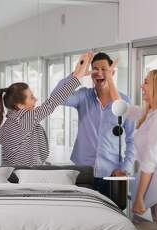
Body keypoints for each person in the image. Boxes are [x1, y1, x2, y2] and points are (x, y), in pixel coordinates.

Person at [55, 52, 135, 198]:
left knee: (112, 216)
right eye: (95, 69)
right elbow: (58, 98)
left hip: (112, 173)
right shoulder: (83, 96)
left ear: (113, 72)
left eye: (104, 69)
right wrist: (76, 74)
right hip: (83, 173)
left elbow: (132, 138)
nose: (98, 73)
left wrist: (125, 167)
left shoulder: (124, 101)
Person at [0, 52, 94, 167]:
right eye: (31, 97)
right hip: (25, 176)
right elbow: (52, 102)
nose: (36, 99)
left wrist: (75, 74)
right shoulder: (23, 119)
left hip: (12, 175)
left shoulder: (10, 121)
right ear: (20, 105)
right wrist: (78, 77)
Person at [110, 69, 157, 222]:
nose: (142, 86)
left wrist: (139, 198)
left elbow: (150, 160)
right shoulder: (150, 113)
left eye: (146, 82)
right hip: (154, 185)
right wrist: (109, 78)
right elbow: (122, 107)